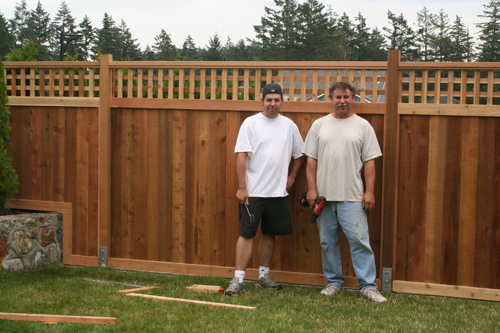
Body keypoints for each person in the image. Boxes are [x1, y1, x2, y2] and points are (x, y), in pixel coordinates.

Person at [302, 82, 387, 303]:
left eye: (346, 97)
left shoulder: (363, 126)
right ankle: (334, 282)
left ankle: (368, 286)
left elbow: (369, 162)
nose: (342, 101)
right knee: (327, 242)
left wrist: (369, 192)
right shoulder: (319, 125)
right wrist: (312, 189)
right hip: (325, 198)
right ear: (331, 98)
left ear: (352, 99)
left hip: (352, 196)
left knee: (359, 242)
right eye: (338, 97)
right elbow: (311, 160)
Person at [225, 83, 304, 296]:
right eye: (269, 100)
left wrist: (293, 176)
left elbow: (299, 155)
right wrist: (242, 187)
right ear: (262, 101)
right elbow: (241, 155)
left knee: (270, 234)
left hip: (278, 193)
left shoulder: (290, 125)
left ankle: (263, 276)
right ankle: (238, 279)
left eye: (277, 100)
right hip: (254, 193)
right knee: (246, 234)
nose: (273, 104)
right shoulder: (250, 123)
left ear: (282, 102)